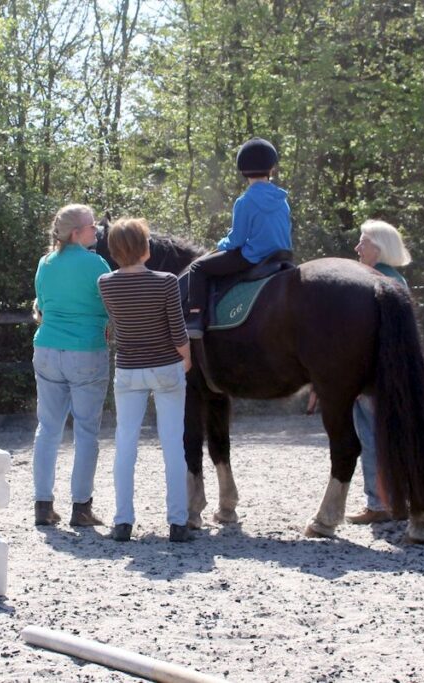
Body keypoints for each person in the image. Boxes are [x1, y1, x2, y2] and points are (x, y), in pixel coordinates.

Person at [97, 218, 193, 543]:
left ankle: (123, 521)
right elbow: (177, 330)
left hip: (128, 369)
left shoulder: (105, 283)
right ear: (145, 248)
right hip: (166, 367)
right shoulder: (167, 282)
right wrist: (186, 357)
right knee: (173, 444)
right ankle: (178, 522)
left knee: (125, 444)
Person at [31, 204, 112, 527]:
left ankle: (43, 504)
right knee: (86, 431)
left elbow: (40, 306)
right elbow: (110, 306)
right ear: (77, 233)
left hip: (47, 349)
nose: (97, 231)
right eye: (92, 226)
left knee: (47, 428)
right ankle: (81, 507)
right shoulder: (96, 264)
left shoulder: (45, 263)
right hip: (86, 351)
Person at [184, 137, 292, 337]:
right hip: (281, 255)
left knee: (197, 267)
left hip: (254, 257)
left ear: (242, 171)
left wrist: (221, 243)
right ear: (272, 169)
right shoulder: (282, 199)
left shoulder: (245, 201)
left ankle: (195, 319)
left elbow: (237, 240)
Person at [346, 219, 412, 524]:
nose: (357, 247)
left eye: (364, 242)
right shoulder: (398, 280)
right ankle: (399, 499)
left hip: (373, 376)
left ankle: (378, 503)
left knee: (371, 438)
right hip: (397, 375)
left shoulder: (371, 283)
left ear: (380, 248)